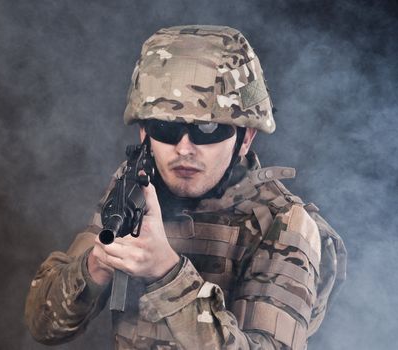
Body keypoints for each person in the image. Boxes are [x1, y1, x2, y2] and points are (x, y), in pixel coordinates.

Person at [24, 25, 346, 350]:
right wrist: (95, 266)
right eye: (165, 127)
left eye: (208, 130)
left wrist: (167, 273)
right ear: (143, 134)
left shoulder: (282, 222)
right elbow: (46, 326)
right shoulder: (137, 189)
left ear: (245, 138)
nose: (184, 148)